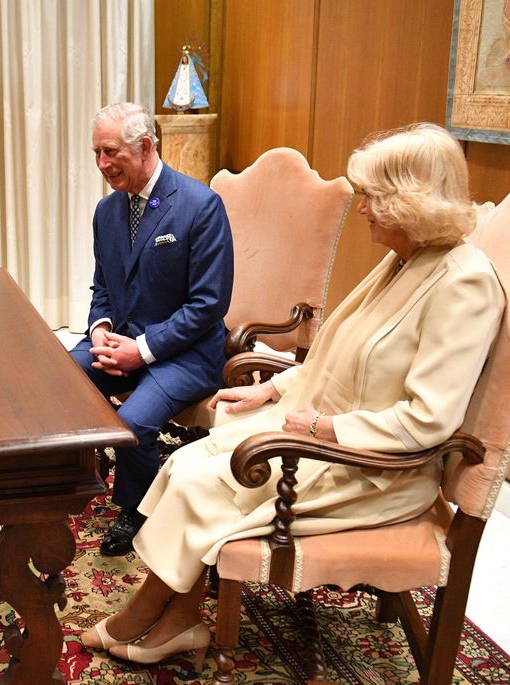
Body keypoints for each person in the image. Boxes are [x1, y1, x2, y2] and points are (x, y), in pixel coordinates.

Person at [80, 123, 505, 665]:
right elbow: (339, 356)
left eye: (373, 197)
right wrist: (273, 390)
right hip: (331, 434)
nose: (363, 210)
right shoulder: (406, 260)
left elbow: (428, 422)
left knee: (202, 480)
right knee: (185, 463)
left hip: (377, 470)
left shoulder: (463, 283)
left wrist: (322, 429)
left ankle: (144, 618)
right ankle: (179, 617)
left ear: (410, 201)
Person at [70, 102, 233, 556]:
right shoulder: (107, 211)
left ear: (144, 147)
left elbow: (208, 305)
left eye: (110, 153)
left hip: (187, 353)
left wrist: (140, 351)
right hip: (123, 340)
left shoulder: (200, 206)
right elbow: (103, 284)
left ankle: (135, 509)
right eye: (96, 153)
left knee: (133, 422)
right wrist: (99, 327)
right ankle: (76, 477)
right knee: (63, 378)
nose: (101, 165)